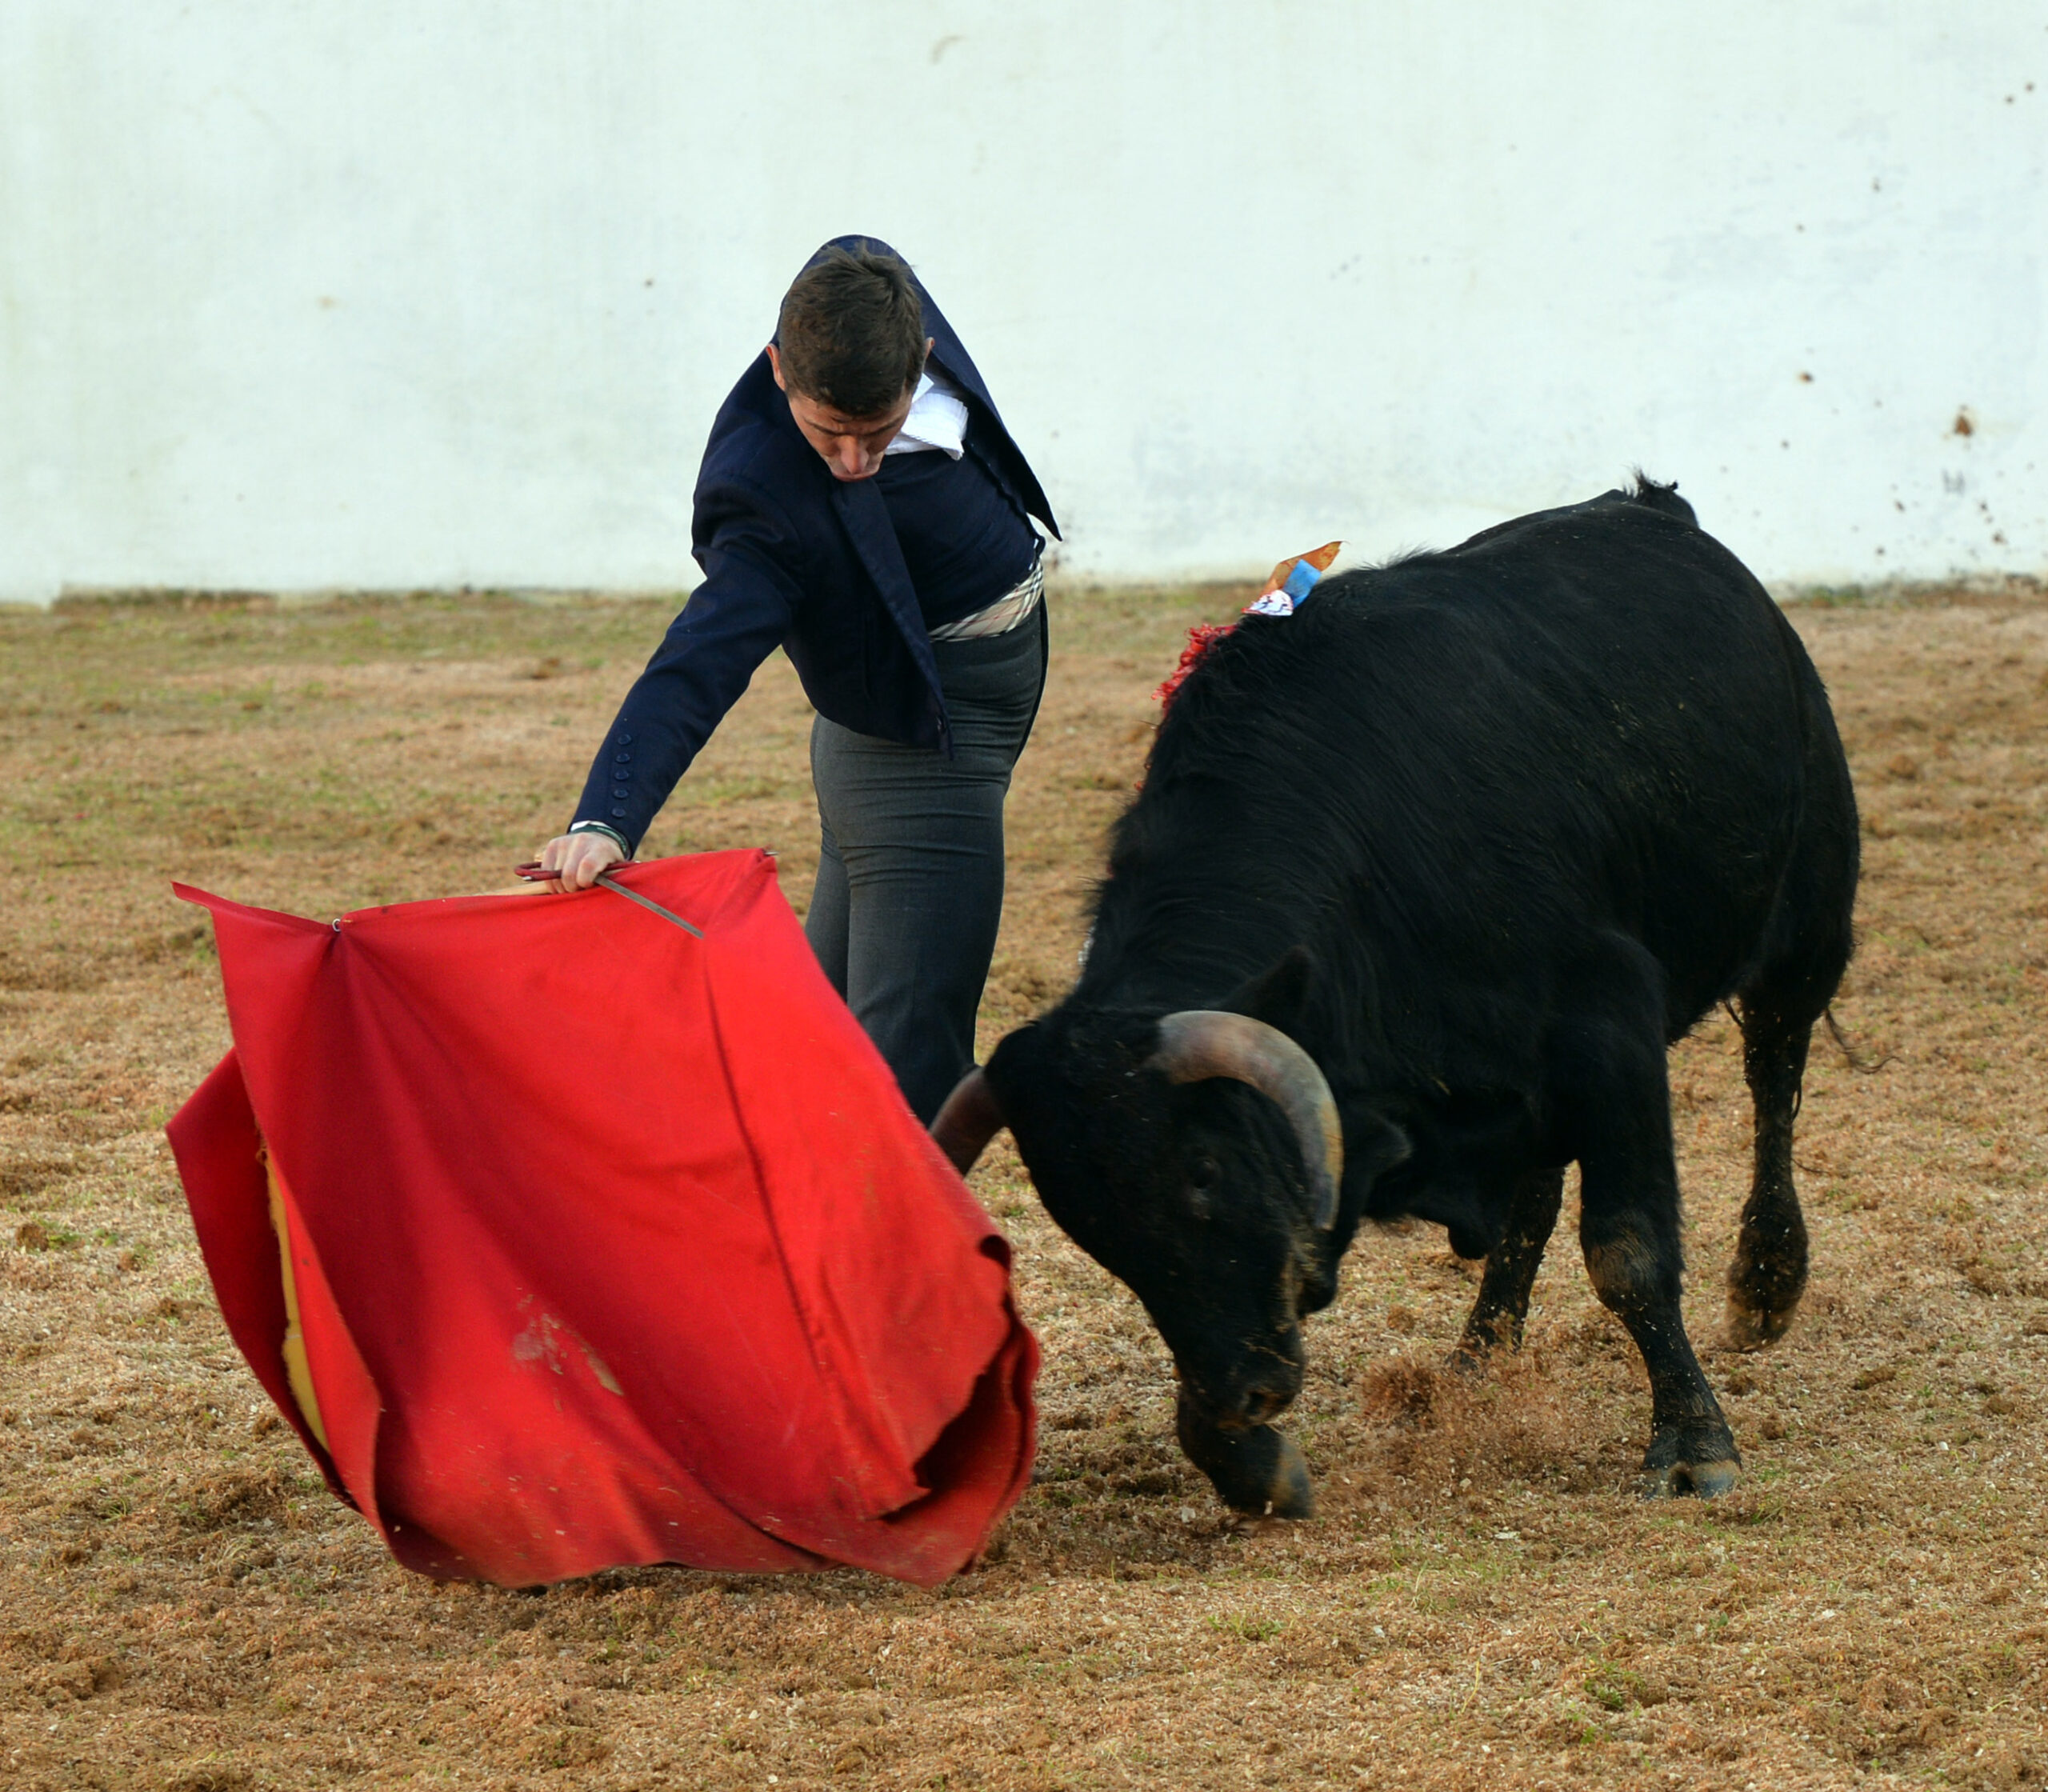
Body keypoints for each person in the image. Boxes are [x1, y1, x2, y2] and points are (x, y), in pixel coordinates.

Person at [536, 237, 1059, 1124]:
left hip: (930, 715)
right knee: (909, 1065)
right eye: (829, 435)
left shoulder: (870, 286)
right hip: (914, 747)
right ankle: (886, 1258)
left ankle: (760, 1211)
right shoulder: (763, 497)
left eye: (878, 433)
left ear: (919, 354)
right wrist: (606, 814)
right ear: (778, 369)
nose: (854, 461)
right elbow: (696, 659)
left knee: (823, 1027)